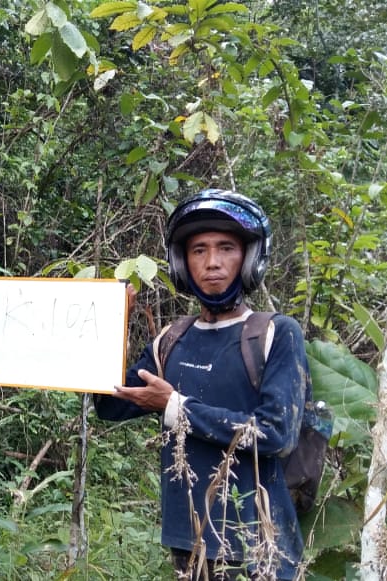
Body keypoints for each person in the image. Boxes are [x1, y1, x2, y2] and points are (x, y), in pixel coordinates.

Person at [94, 190, 306, 579]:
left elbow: (276, 434)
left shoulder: (276, 334)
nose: (212, 263)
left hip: (259, 546)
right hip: (188, 544)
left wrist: (176, 407)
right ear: (182, 262)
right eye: (198, 250)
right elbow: (110, 405)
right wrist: (107, 330)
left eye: (226, 248)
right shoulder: (172, 339)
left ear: (249, 257)